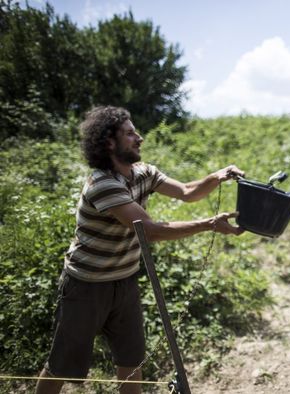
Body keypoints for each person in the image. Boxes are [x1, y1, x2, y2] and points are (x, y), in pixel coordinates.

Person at [36, 106, 246, 394]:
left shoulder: (143, 173)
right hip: (86, 285)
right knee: (62, 364)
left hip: (125, 281)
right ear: (109, 142)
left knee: (132, 362)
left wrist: (217, 176)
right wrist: (210, 224)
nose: (140, 137)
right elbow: (149, 230)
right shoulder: (103, 185)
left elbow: (186, 191)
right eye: (130, 133)